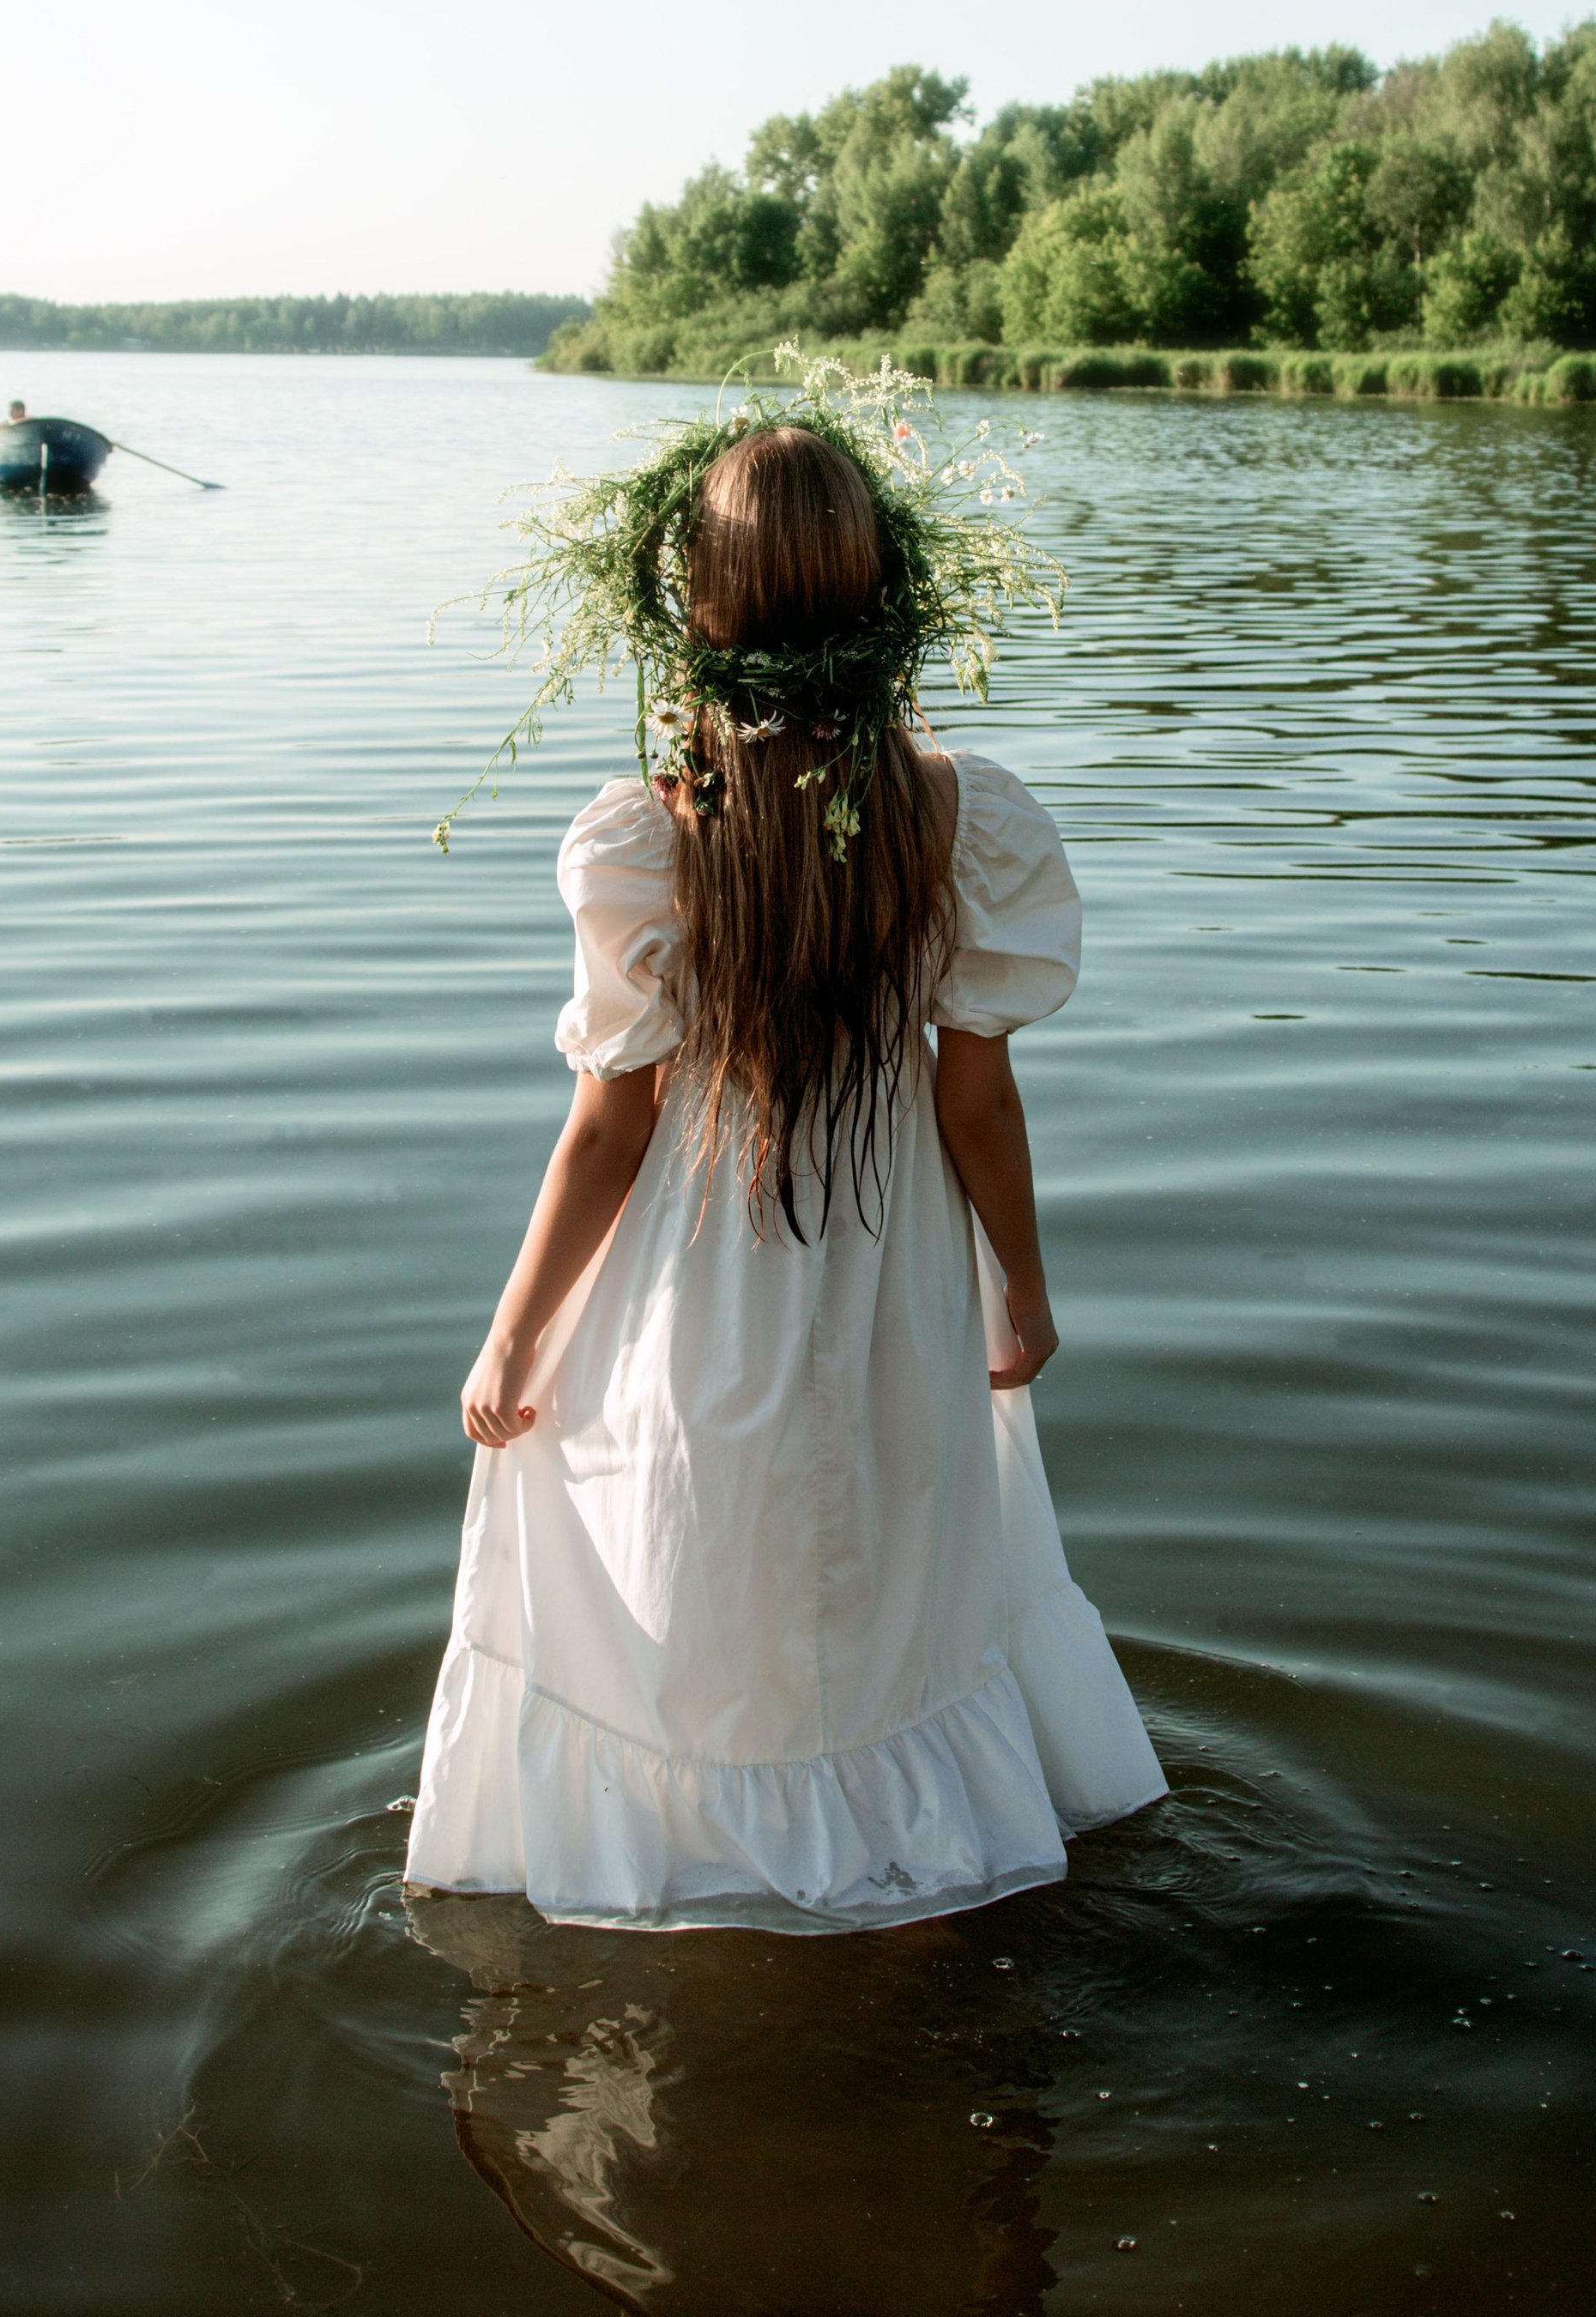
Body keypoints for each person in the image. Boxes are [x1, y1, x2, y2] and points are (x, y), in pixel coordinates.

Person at [405, 380, 1164, 1930]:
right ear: (888, 595)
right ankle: (910, 1863)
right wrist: (1021, 1286)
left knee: (705, 1568)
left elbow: (611, 1124)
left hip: (699, 1285)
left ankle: (716, 1867)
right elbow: (977, 1106)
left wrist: (514, 1331)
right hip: (901, 1281)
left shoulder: (644, 836)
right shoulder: (967, 818)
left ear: (698, 606)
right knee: (887, 1577)